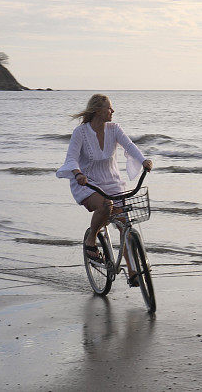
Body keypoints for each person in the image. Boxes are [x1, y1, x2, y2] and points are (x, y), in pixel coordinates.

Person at [56, 94, 153, 284]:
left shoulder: (114, 129)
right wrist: (77, 173)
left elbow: (130, 146)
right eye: (110, 108)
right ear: (99, 111)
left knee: (124, 225)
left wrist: (144, 161)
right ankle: (91, 239)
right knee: (106, 206)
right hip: (86, 181)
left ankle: (133, 271)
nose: (113, 111)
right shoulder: (80, 132)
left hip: (112, 181)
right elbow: (72, 158)